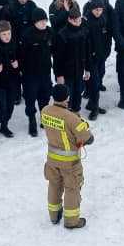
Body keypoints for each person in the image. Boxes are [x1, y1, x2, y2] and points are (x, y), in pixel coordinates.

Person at [40, 82, 93, 229]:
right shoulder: (71, 118)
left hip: (52, 159)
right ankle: (71, 221)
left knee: (54, 185)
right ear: (67, 98)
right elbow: (88, 137)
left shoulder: (45, 110)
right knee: (72, 188)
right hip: (70, 163)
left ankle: (54, 215)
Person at [18, 9, 53, 136]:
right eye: (40, 21)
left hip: (45, 71)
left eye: (45, 20)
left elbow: (54, 49)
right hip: (30, 73)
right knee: (30, 97)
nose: (43, 23)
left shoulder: (49, 32)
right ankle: (31, 119)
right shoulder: (27, 35)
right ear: (35, 22)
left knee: (45, 96)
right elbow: (21, 55)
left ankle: (44, 118)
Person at [53, 6, 88, 107]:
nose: (78, 23)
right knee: (67, 96)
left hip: (79, 70)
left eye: (79, 20)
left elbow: (86, 51)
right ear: (69, 19)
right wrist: (59, 75)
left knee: (78, 93)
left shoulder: (83, 31)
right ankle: (66, 116)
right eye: (75, 21)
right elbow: (57, 58)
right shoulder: (62, 35)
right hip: (66, 73)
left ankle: (76, 113)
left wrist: (87, 69)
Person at [82, 1, 111, 116]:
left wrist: (106, 51)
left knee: (99, 78)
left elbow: (108, 37)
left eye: (100, 10)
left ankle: (91, 103)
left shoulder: (103, 19)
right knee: (94, 82)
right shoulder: (86, 21)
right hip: (91, 58)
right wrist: (88, 57)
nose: (98, 12)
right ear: (91, 9)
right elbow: (85, 42)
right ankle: (95, 107)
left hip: (101, 56)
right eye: (96, 10)